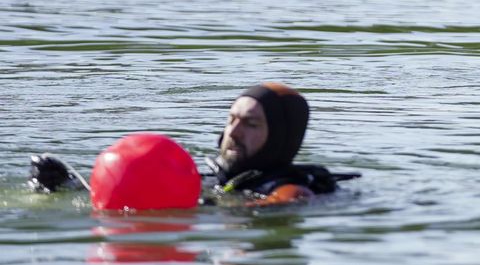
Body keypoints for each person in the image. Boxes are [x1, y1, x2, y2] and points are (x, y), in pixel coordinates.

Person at [28, 82, 354, 204]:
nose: (233, 132)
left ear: (281, 137)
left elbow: (281, 204)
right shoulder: (211, 177)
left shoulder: (289, 188)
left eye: (251, 123)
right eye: (231, 119)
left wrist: (202, 214)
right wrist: (69, 186)